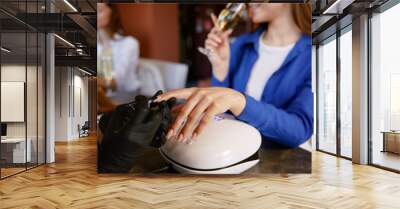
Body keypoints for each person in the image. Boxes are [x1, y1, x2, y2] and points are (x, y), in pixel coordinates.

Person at [156, 3, 313, 148]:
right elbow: (225, 109)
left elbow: (300, 130)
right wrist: (220, 69)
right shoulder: (241, 44)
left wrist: (240, 101)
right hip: (236, 149)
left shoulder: (314, 54)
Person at [97, 3, 140, 112]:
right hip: (103, 93)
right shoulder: (96, 45)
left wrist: (91, 79)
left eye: (99, 11)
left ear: (112, 12)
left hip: (126, 95)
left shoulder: (129, 43)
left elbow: (116, 83)